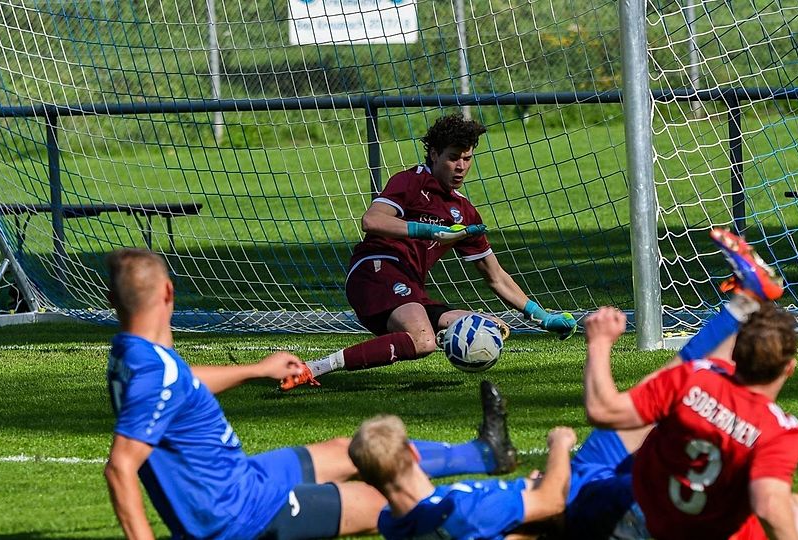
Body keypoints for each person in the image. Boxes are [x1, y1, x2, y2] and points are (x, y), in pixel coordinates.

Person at [103, 248, 520, 540]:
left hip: (244, 480)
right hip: (238, 515)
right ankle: (519, 510)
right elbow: (121, 467)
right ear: (169, 293)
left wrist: (255, 370)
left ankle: (485, 453)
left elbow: (180, 379)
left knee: (349, 450)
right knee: (388, 501)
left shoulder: (131, 354)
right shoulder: (150, 373)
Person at [576, 229, 798, 539]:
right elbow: (770, 504)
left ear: (736, 353)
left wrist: (600, 341)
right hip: (686, 523)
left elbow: (605, 409)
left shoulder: (695, 379)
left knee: (585, 477)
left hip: (639, 513)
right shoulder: (779, 430)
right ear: (790, 368)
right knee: (758, 503)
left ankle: (745, 303)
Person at [282, 113, 576, 389]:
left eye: (467, 158)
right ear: (434, 154)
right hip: (375, 271)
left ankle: (447, 332)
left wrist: (541, 316)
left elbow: (495, 276)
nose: (460, 166)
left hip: (410, 287)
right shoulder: (411, 181)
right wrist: (429, 231)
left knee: (486, 327)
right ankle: (312, 368)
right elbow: (371, 220)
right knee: (424, 341)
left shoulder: (464, 213)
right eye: (452, 158)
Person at [348, 385, 576, 540]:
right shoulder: (460, 508)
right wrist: (560, 444)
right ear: (414, 453)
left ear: (366, 479)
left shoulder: (391, 523)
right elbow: (552, 501)